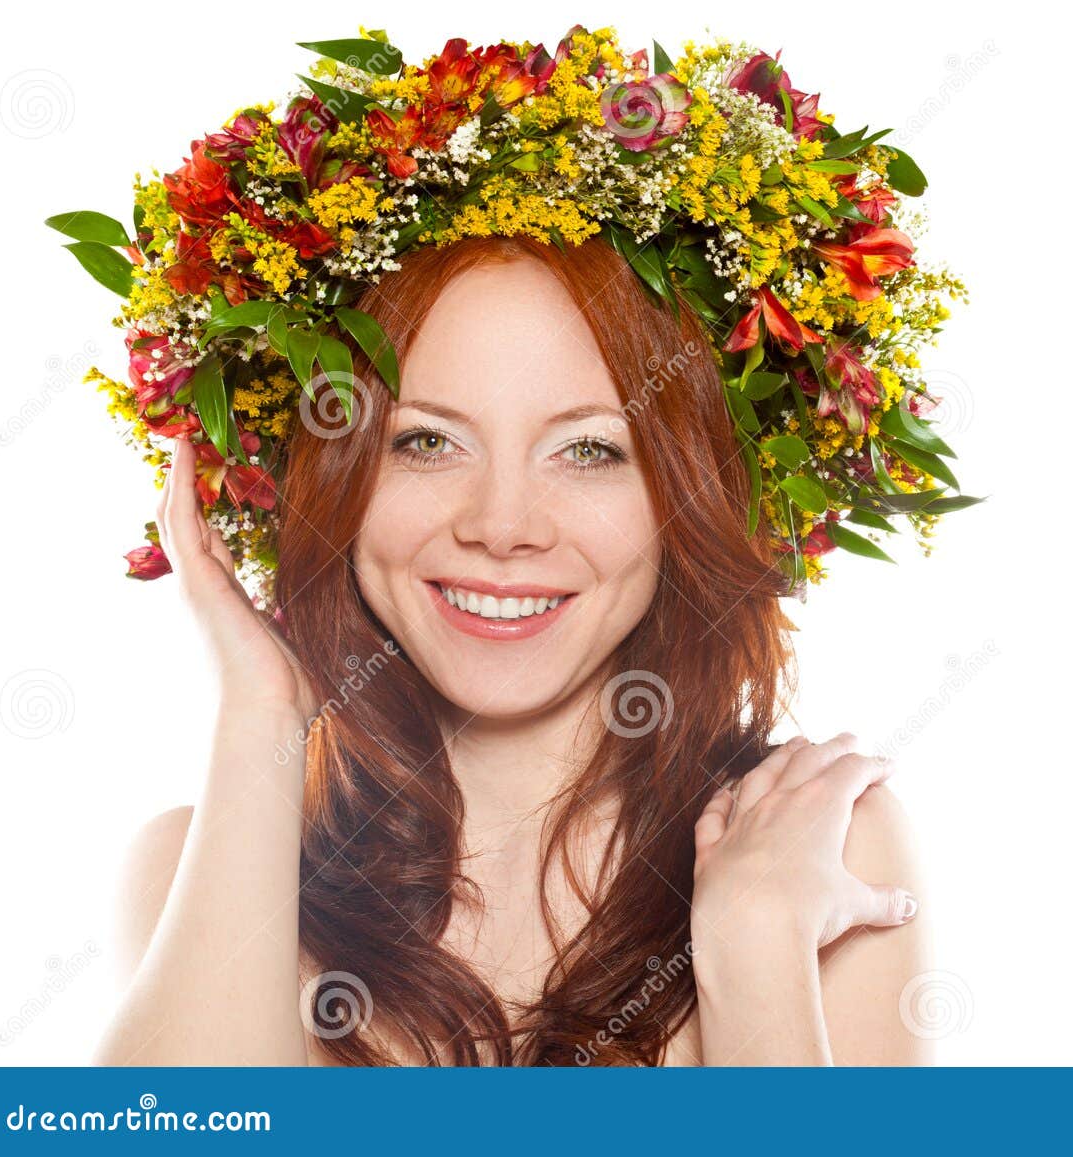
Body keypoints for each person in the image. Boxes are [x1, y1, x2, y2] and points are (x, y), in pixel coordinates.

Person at [95, 233, 931, 1066]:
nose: (501, 527)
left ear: (687, 495)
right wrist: (259, 711)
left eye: (589, 449)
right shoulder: (199, 865)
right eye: (425, 441)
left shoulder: (823, 850)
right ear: (331, 474)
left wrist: (755, 950)